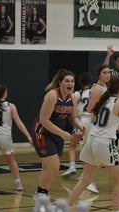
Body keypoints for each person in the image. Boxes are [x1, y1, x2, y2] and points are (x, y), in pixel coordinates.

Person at [68, 75, 119, 212]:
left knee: (85, 181)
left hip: (91, 141)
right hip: (105, 144)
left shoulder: (102, 100)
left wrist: (112, 124)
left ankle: (64, 210)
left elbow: (93, 120)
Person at [32, 69, 84, 199]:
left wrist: (80, 125)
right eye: (67, 81)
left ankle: (40, 194)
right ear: (60, 82)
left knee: (48, 169)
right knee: (54, 168)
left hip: (57, 134)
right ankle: (41, 194)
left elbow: (73, 118)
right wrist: (62, 133)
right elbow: (43, 120)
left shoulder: (72, 97)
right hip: (43, 133)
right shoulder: (52, 95)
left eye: (72, 81)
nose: (70, 83)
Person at [67, 64, 112, 194]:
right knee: (95, 154)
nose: (108, 74)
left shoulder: (104, 87)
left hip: (93, 122)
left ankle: (85, 178)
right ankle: (88, 181)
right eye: (105, 72)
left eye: (109, 72)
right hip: (90, 122)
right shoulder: (98, 88)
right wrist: (98, 120)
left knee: (94, 154)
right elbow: (91, 108)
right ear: (99, 75)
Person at [0, 83, 33, 191]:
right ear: (5, 93)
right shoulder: (11, 106)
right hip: (5, 137)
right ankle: (18, 184)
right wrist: (28, 136)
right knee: (11, 161)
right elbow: (18, 122)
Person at [61, 72, 94, 178]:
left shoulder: (77, 94)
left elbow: (71, 106)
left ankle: (72, 166)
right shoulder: (95, 93)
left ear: (79, 82)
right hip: (92, 121)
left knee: (72, 146)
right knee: (87, 148)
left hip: (81, 120)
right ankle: (85, 173)